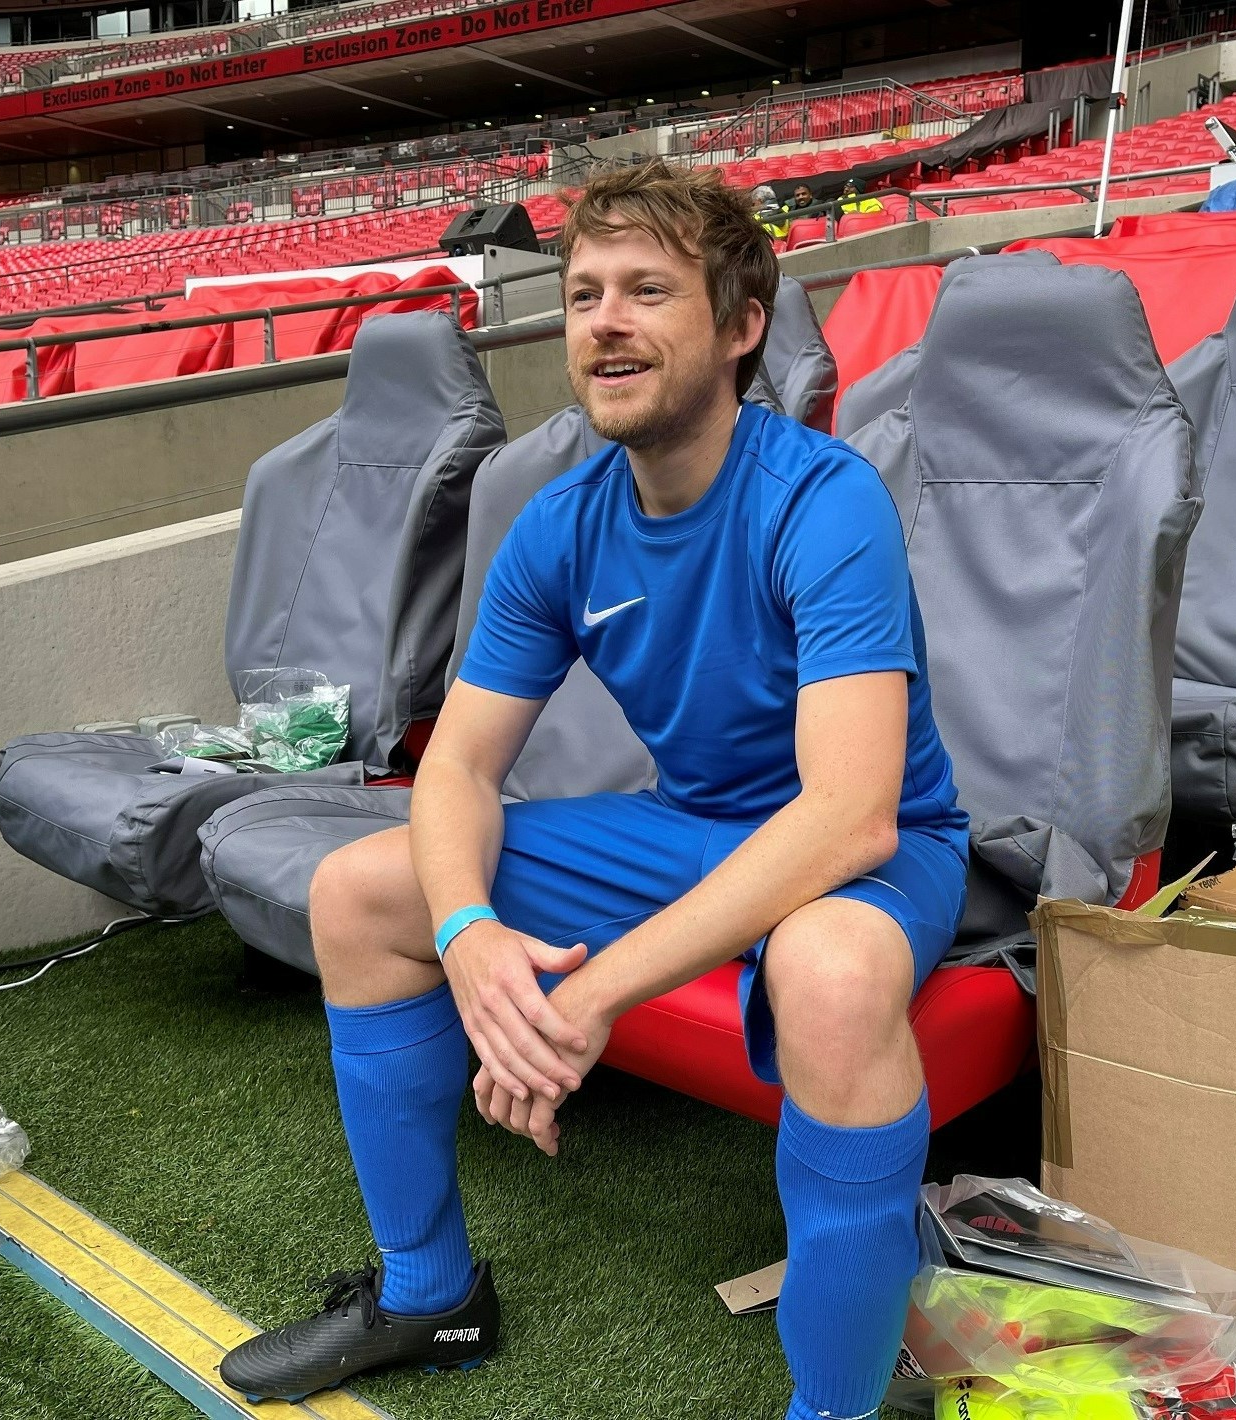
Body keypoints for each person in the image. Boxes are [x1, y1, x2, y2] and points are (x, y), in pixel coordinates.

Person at [219, 158, 970, 1420]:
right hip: (688, 830)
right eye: (582, 296)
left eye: (646, 291)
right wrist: (468, 936)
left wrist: (585, 998)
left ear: (739, 327)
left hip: (873, 853)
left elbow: (850, 815)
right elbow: (458, 766)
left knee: (831, 974)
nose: (604, 322)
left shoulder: (821, 498)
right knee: (362, 891)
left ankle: (837, 1404)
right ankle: (428, 1289)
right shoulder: (560, 525)